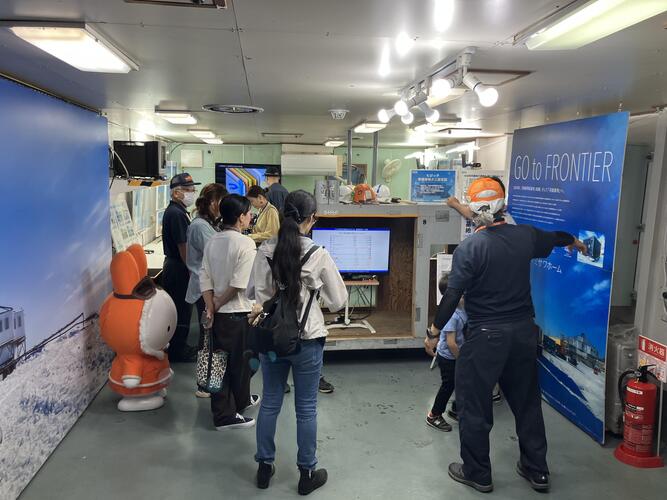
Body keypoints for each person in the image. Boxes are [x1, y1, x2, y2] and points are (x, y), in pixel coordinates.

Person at [426, 177, 587, 494]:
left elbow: (451, 296)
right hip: (523, 333)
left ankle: (477, 473)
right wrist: (574, 242)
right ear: (505, 206)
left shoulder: (470, 248)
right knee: (527, 403)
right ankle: (536, 470)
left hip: (486, 337)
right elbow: (556, 237)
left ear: (474, 211)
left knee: (474, 405)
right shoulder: (525, 236)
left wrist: (433, 332)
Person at [247, 190, 347, 495]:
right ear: (312, 218)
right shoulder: (318, 254)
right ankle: (307, 473)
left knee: (270, 402)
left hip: (272, 338)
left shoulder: (265, 249)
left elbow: (253, 293)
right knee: (306, 409)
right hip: (307, 341)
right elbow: (338, 300)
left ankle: (264, 467)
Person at [200, 194, 260, 430]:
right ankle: (225, 415)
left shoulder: (212, 240)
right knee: (237, 365)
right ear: (240, 217)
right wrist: (217, 305)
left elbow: (204, 277)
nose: (251, 216)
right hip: (237, 313)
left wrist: (210, 305)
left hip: (217, 314)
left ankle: (241, 401)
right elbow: (238, 284)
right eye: (249, 213)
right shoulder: (245, 243)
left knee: (220, 362)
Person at [185, 183, 228, 398]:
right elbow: (217, 254)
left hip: (209, 287)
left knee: (212, 336)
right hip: (204, 290)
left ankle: (212, 381)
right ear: (212, 203)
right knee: (207, 337)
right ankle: (204, 385)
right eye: (222, 202)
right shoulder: (200, 226)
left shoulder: (209, 224)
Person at [162, 172, 200, 362]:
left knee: (182, 309)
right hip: (178, 268)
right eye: (188, 189)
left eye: (193, 189)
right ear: (176, 193)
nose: (192, 192)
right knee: (180, 310)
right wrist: (193, 271)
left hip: (176, 266)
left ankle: (179, 347)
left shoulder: (178, 211)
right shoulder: (176, 214)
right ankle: (178, 350)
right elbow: (183, 247)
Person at [424, 274, 466, 433]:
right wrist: (462, 360)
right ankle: (433, 415)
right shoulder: (451, 316)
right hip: (449, 357)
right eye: (460, 292)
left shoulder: (462, 308)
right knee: (448, 385)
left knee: (461, 382)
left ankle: (456, 409)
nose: (464, 295)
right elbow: (451, 343)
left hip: (456, 355)